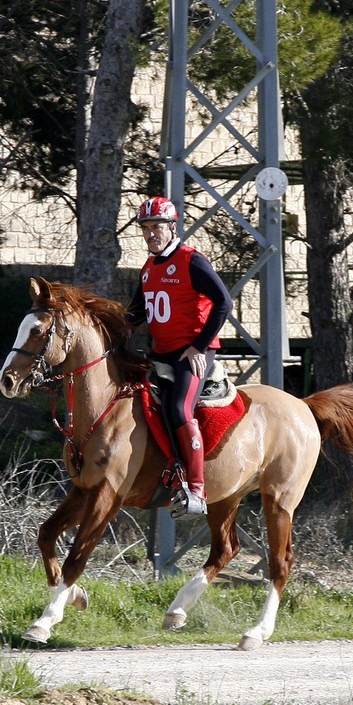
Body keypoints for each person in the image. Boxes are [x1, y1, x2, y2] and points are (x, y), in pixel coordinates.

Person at [126, 196, 233, 517]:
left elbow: (223, 303)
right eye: (145, 228)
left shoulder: (191, 260)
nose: (150, 234)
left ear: (172, 227)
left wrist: (199, 346)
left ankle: (197, 489)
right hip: (161, 354)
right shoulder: (148, 267)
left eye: (156, 227)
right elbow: (136, 313)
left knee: (178, 408)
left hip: (192, 356)